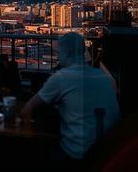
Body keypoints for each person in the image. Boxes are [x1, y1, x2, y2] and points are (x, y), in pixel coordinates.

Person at [21, 32, 120, 166]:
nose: (57, 55)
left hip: (77, 154)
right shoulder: (101, 75)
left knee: (36, 154)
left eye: (59, 51)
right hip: (107, 153)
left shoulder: (62, 77)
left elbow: (27, 110)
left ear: (66, 52)